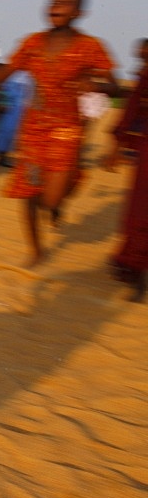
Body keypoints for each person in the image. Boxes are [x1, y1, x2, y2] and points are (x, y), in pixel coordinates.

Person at [0, 0, 118, 267]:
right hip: (33, 128)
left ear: (79, 12)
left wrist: (95, 84)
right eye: (53, 1)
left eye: (65, 3)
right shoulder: (32, 43)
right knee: (28, 191)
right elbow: (0, 79)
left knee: (51, 200)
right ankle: (36, 250)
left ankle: (59, 201)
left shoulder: (91, 46)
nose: (57, 6)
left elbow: (115, 85)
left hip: (67, 128)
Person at [105, 38, 148, 302]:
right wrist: (117, 146)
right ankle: (138, 274)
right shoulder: (143, 79)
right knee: (141, 213)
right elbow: (131, 112)